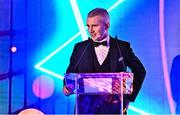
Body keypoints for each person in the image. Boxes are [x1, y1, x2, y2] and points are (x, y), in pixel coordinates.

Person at [63, 8, 146, 114]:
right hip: (85, 110)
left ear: (107, 26)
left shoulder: (122, 47)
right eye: (88, 26)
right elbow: (70, 75)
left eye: (95, 26)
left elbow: (140, 71)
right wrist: (66, 87)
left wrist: (129, 98)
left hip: (115, 109)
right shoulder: (79, 48)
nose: (90, 30)